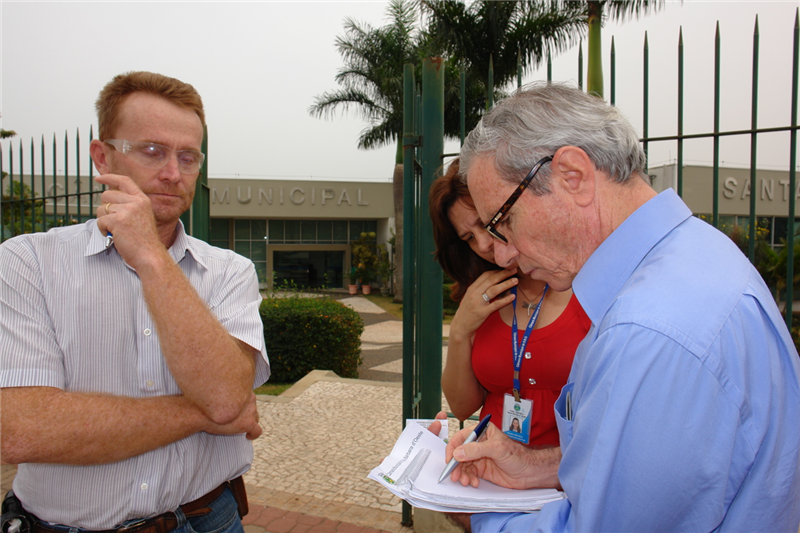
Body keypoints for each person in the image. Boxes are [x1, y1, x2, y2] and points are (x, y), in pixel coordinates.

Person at [443, 82, 800, 532]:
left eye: (504, 221)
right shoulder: (697, 255)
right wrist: (531, 466)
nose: (503, 253)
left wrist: (478, 515)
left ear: (572, 175)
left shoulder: (647, 332)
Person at [0, 72, 270, 531]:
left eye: (188, 157)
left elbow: (225, 397)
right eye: (152, 151)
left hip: (208, 517)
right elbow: (21, 429)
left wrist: (150, 255)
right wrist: (200, 413)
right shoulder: (26, 263)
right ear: (102, 156)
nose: (172, 172)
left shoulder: (230, 271)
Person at [429, 160, 590, 447]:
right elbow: (463, 407)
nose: (482, 245)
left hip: (568, 479)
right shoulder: (482, 294)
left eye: (486, 224)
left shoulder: (586, 285)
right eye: (468, 237)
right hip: (493, 475)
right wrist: (460, 331)